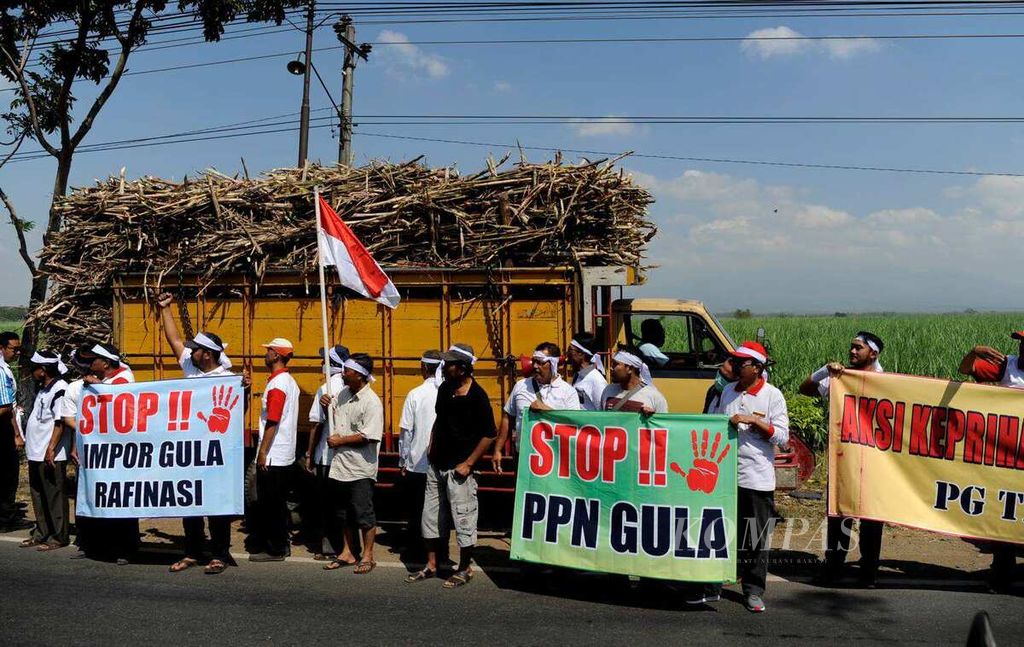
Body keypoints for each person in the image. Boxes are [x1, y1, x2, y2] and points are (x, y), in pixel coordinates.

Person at [157, 292, 250, 575]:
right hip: (189, 451)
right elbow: (174, 340)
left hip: (216, 453)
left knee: (217, 505)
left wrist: (243, 389)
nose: (189, 352)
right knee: (190, 504)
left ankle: (219, 553)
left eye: (194, 349)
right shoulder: (192, 367)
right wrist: (166, 309)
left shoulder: (227, 379)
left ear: (206, 354)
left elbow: (238, 414)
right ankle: (193, 552)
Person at [694, 341, 789, 613]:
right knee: (719, 533)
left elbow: (782, 437)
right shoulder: (726, 393)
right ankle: (712, 586)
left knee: (756, 537)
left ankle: (753, 590)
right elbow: (711, 425)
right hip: (724, 476)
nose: (734, 366)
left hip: (756, 477)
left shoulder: (772, 395)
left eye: (740, 363)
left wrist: (755, 421)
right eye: (733, 362)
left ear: (757, 368)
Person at [799, 331, 886, 587]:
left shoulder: (885, 382)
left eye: (858, 348)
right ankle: (834, 567)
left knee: (872, 519)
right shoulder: (841, 378)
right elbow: (805, 389)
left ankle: (869, 571)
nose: (852, 352)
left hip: (875, 462)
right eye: (851, 347)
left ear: (874, 353)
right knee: (839, 515)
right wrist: (824, 371)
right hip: (845, 458)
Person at [407, 343, 496, 589]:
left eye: (450, 364)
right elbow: (440, 419)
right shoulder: (445, 389)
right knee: (431, 515)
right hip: (437, 463)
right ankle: (432, 564)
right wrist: (432, 443)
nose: (445, 368)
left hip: (460, 469)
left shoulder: (477, 396)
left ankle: (465, 567)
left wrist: (468, 463)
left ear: (464, 368)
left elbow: (489, 434)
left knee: (464, 518)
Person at [958, 331, 1024, 594]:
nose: (1022, 347)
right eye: (1021, 342)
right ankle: (1001, 576)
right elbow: (965, 369)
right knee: (1003, 517)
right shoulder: (1007, 365)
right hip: (1006, 456)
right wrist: (974, 351)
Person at [323, 353, 384, 575]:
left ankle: (368, 555)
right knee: (343, 513)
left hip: (360, 468)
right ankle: (347, 551)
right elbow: (334, 422)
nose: (343, 373)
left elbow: (370, 435)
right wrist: (325, 407)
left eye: (347, 370)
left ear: (359, 374)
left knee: (363, 513)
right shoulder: (342, 395)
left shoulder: (371, 402)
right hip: (340, 466)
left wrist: (341, 441)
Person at [85, 342, 139, 565]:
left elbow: (119, 404)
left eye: (94, 360)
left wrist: (98, 387)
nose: (91, 364)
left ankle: (127, 548)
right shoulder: (108, 380)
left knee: (123, 499)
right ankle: (110, 544)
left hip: (122, 449)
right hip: (106, 449)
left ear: (105, 363)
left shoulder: (122, 380)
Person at [492, 342, 580, 472]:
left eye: (540, 362)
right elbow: (507, 416)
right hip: (523, 458)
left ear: (553, 364)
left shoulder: (568, 392)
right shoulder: (521, 386)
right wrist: (498, 450)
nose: (535, 366)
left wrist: (547, 410)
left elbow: (574, 425)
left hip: (554, 462)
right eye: (534, 361)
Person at [250, 338, 300, 563]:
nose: (266, 353)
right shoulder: (288, 382)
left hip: (274, 453)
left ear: (277, 355)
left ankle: (276, 548)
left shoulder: (278, 384)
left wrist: (262, 452)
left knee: (270, 503)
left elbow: (273, 420)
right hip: (283, 451)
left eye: (269, 350)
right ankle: (277, 544)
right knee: (276, 502)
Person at [304, 344, 350, 561]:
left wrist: (309, 455)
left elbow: (316, 424)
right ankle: (347, 546)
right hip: (347, 457)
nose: (322, 364)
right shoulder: (354, 386)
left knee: (328, 505)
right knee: (343, 504)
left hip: (327, 457)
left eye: (325, 361)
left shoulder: (327, 388)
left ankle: (330, 546)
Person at [20, 350, 70, 551]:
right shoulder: (44, 389)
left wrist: (51, 448)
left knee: (54, 495)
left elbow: (60, 422)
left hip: (50, 452)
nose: (32, 371)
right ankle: (42, 532)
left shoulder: (60, 388)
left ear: (44, 370)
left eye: (35, 368)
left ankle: (58, 536)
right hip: (35, 452)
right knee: (38, 494)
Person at [397, 350, 442, 558]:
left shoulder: (415, 394)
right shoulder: (448, 390)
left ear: (424, 368)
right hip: (441, 461)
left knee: (417, 509)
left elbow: (406, 432)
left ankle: (417, 549)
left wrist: (403, 460)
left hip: (418, 462)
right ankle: (438, 549)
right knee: (439, 508)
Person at [61, 345, 96, 559]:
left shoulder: (113, 385)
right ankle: (85, 540)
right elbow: (69, 419)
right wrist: (88, 433)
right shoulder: (75, 388)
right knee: (84, 494)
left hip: (110, 451)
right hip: (85, 448)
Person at [600, 346, 668, 414]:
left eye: (615, 364)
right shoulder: (608, 390)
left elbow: (661, 423)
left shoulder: (654, 397)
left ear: (629, 369)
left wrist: (651, 418)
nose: (611, 368)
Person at [0, 331, 22, 527]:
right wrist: (16, 434)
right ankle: (5, 517)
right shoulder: (1, 371)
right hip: (4, 429)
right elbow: (6, 407)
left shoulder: (5, 368)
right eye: (13, 349)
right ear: (1, 348)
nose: (16, 353)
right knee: (7, 474)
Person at [566, 332, 608, 411]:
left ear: (581, 354)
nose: (567, 354)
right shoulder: (577, 375)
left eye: (570, 350)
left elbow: (602, 413)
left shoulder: (597, 380)